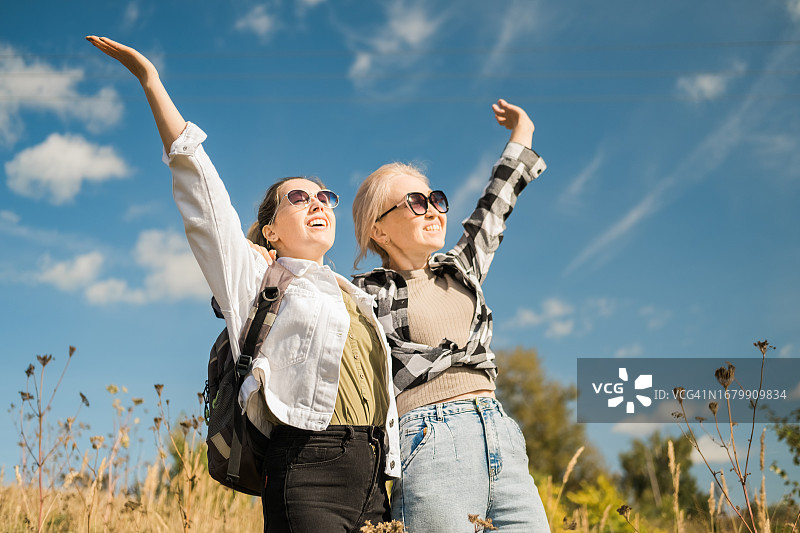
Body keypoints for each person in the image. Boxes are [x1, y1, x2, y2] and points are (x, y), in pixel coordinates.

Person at [86, 36, 400, 533]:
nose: (318, 203)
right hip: (306, 470)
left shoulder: (357, 297)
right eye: (299, 197)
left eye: (325, 196)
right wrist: (152, 82)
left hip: (374, 480)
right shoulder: (255, 279)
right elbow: (203, 200)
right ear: (271, 230)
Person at [351, 99, 550, 532]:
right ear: (379, 230)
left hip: (499, 432)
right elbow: (294, 291)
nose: (435, 209)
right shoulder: (362, 294)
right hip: (430, 443)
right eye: (416, 202)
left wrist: (523, 133)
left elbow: (495, 204)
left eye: (435, 199)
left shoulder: (461, 268)